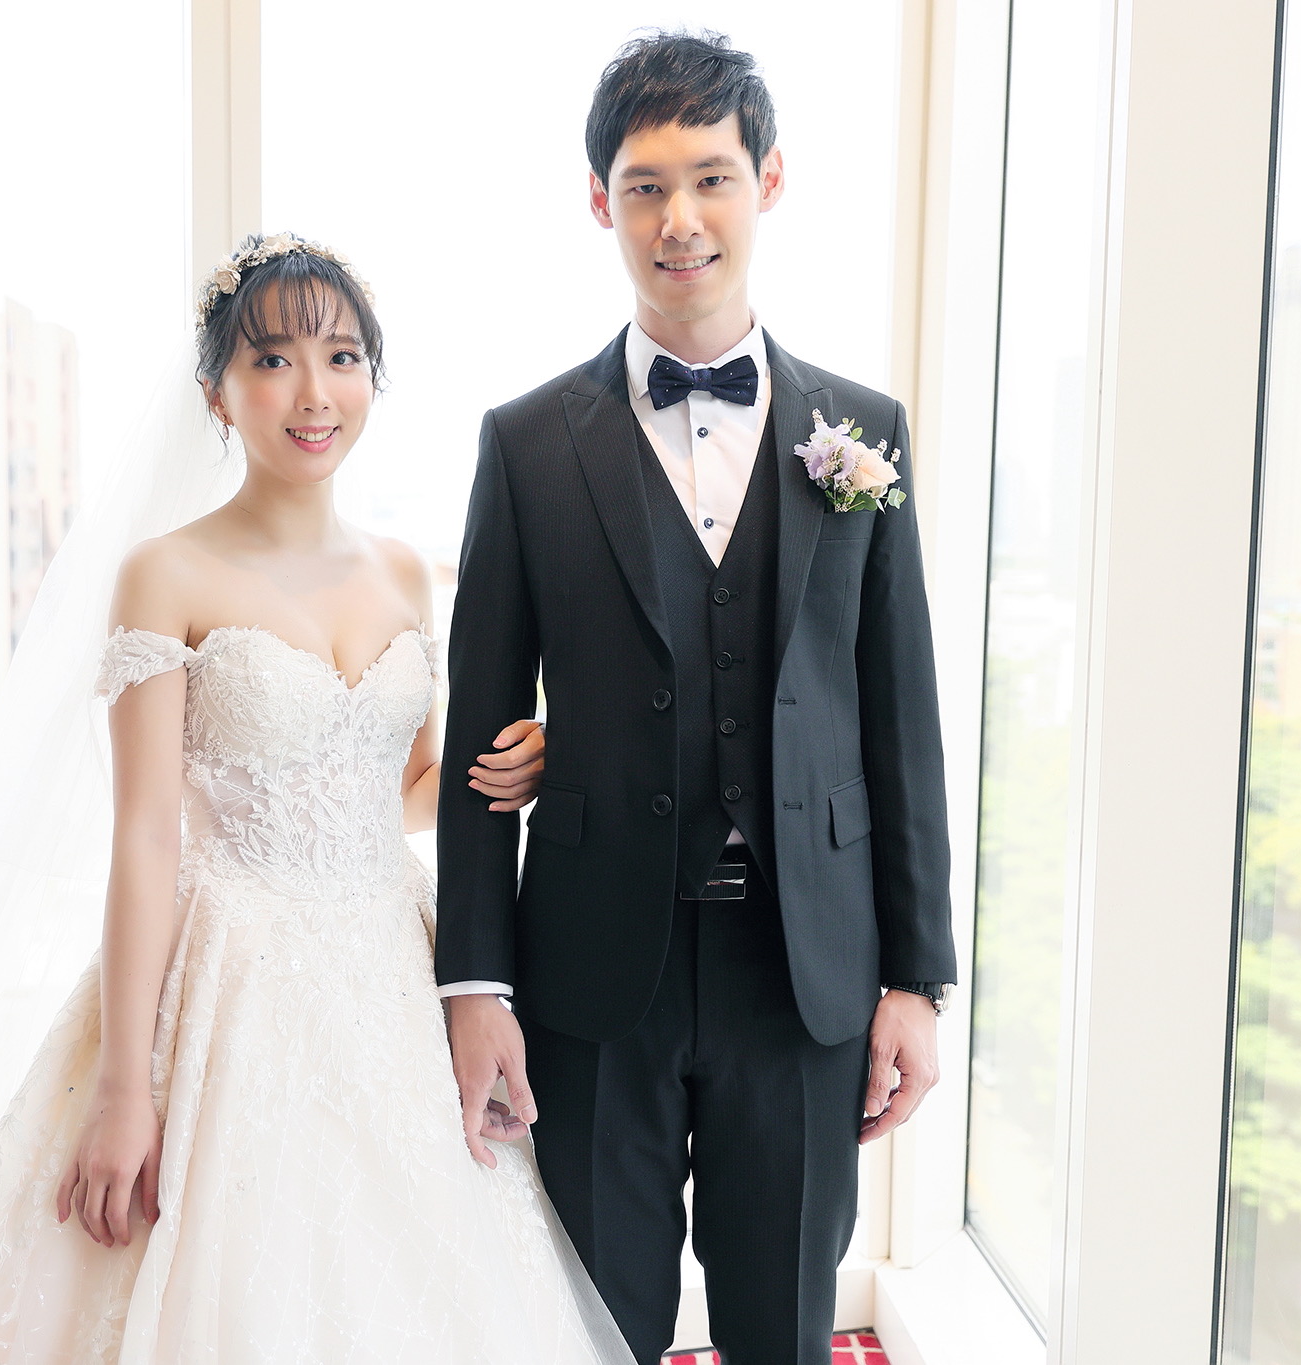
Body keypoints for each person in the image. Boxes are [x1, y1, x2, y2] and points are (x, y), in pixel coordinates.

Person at [0, 235, 633, 1361]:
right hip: (230, 974)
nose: (314, 393)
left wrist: (520, 765)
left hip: (391, 970)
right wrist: (126, 1087)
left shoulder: (403, 571)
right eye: (272, 361)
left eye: (342, 358)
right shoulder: (166, 572)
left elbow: (406, 789)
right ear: (216, 392)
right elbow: (145, 837)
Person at [437, 31, 959, 1365]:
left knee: (784, 1325)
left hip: (805, 974)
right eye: (645, 186)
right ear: (598, 201)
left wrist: (917, 979)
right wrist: (474, 985)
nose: (679, 219)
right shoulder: (525, 445)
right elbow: (483, 731)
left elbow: (900, 722)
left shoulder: (863, 434)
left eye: (711, 178)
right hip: (591, 970)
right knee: (588, 1327)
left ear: (768, 182)